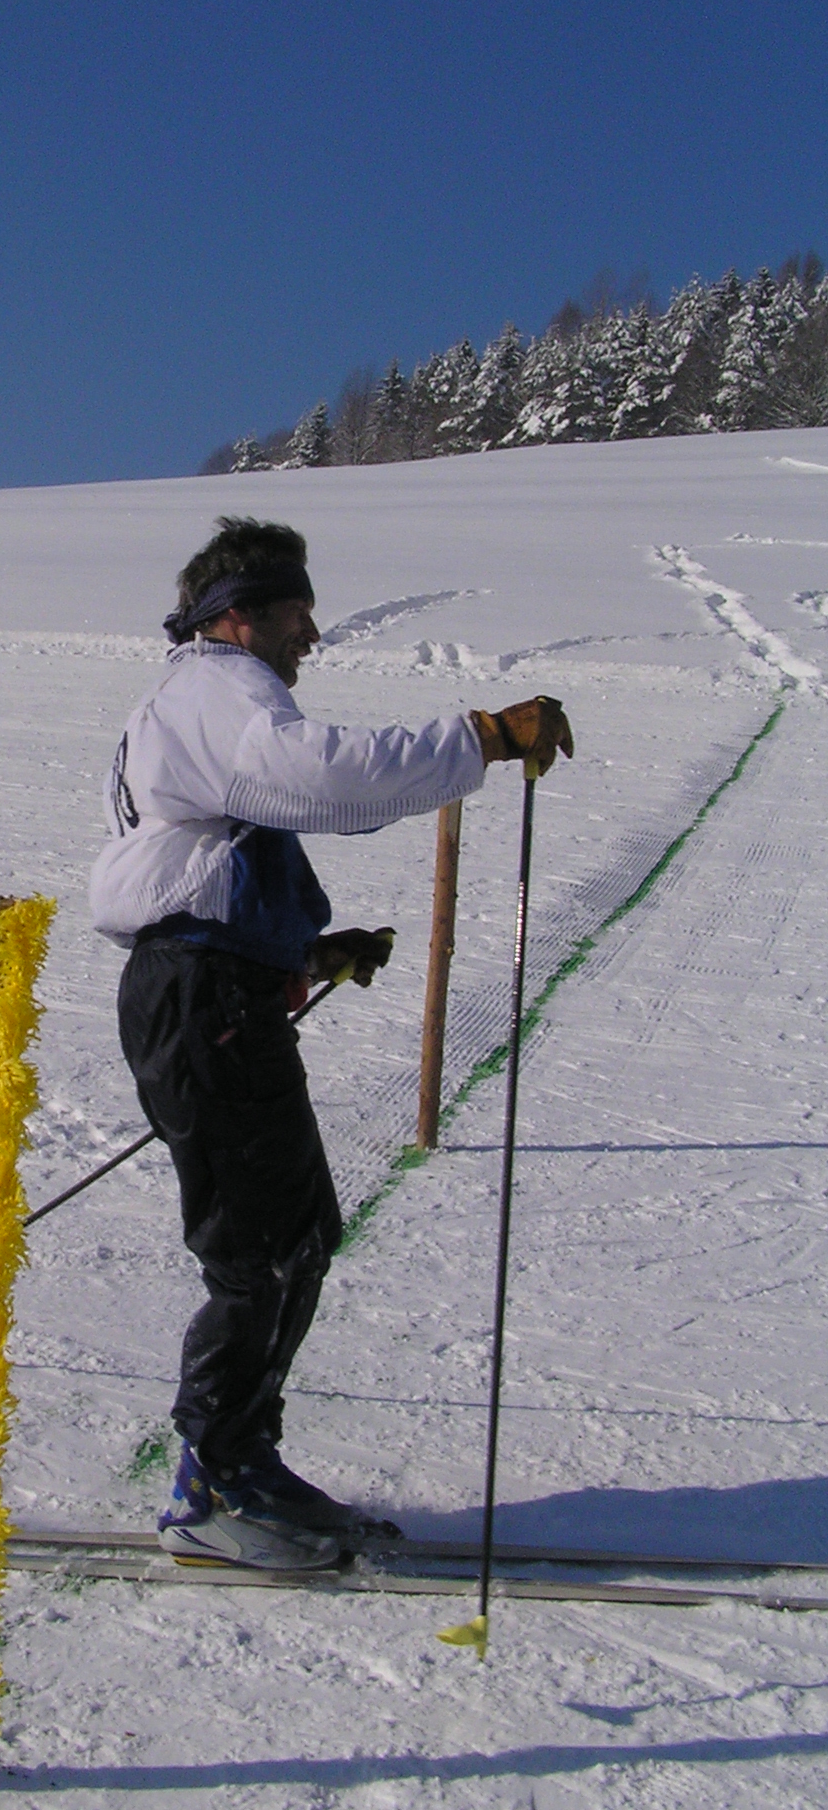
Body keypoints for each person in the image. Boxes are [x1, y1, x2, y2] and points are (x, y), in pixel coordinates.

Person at [89, 516, 573, 1569]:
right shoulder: (215, 685)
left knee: (297, 1233)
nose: (312, 632)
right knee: (258, 1248)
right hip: (197, 996)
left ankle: (243, 1462)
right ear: (237, 615)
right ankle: (214, 1486)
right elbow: (318, 778)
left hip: (215, 988)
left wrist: (303, 950)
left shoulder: (203, 698)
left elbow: (204, 859)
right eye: (295, 611)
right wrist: (481, 738)